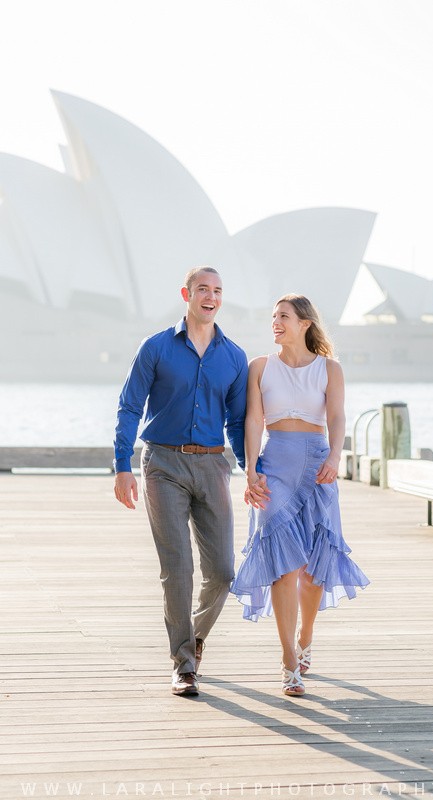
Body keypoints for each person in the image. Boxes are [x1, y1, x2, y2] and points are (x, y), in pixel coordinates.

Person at [113, 266, 265, 697]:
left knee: (222, 570)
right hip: (162, 464)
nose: (210, 297)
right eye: (203, 289)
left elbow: (237, 422)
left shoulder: (233, 356)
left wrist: (252, 468)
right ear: (187, 293)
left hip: (213, 465)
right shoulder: (157, 347)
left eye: (217, 290)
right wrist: (122, 464)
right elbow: (129, 406)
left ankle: (194, 638)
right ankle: (183, 664)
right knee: (177, 568)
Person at [230, 294, 370, 696]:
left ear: (305, 323)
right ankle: (289, 658)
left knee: (311, 571)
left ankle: (306, 635)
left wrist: (336, 457)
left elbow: (338, 416)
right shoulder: (260, 366)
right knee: (283, 564)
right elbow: (253, 419)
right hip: (275, 465)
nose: (276, 322)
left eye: (284, 317)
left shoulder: (330, 369)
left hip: (316, 462)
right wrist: (251, 469)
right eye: (273, 316)